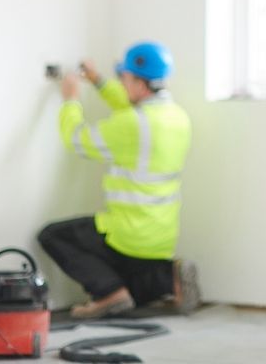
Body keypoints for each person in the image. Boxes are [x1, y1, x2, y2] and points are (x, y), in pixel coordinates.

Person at [38, 41, 198, 319]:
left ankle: (109, 294)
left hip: (128, 233)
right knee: (134, 284)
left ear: (139, 82)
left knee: (53, 235)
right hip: (161, 237)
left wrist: (71, 99)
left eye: (123, 78)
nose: (121, 84)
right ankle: (168, 278)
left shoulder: (133, 125)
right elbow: (128, 105)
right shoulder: (177, 117)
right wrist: (98, 81)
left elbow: (76, 140)